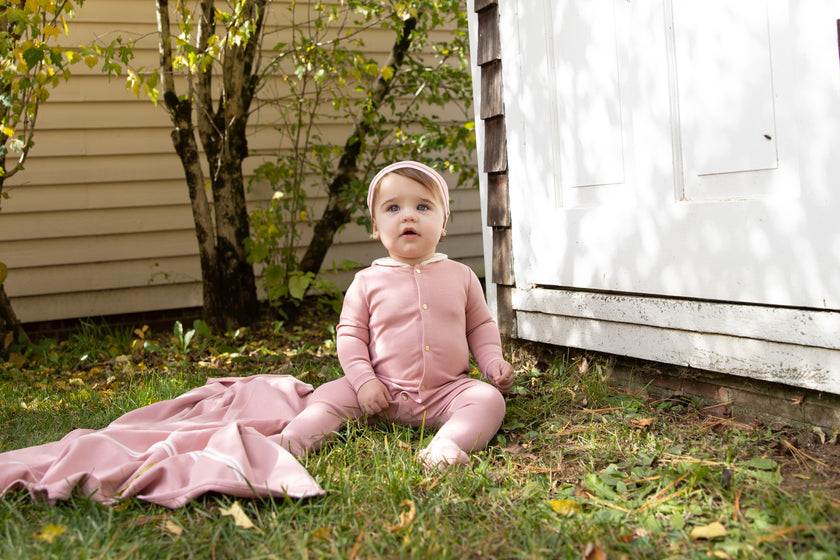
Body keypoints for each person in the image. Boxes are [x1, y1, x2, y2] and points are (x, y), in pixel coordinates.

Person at [278, 160, 514, 469]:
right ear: (375, 226)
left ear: (444, 223)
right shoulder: (367, 281)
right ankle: (290, 443)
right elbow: (350, 336)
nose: (408, 215)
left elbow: (480, 326)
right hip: (379, 390)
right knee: (327, 399)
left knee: (488, 401)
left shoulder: (462, 276)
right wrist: (364, 382)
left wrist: (492, 361)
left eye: (423, 206)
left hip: (445, 390)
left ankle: (446, 446)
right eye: (392, 208)